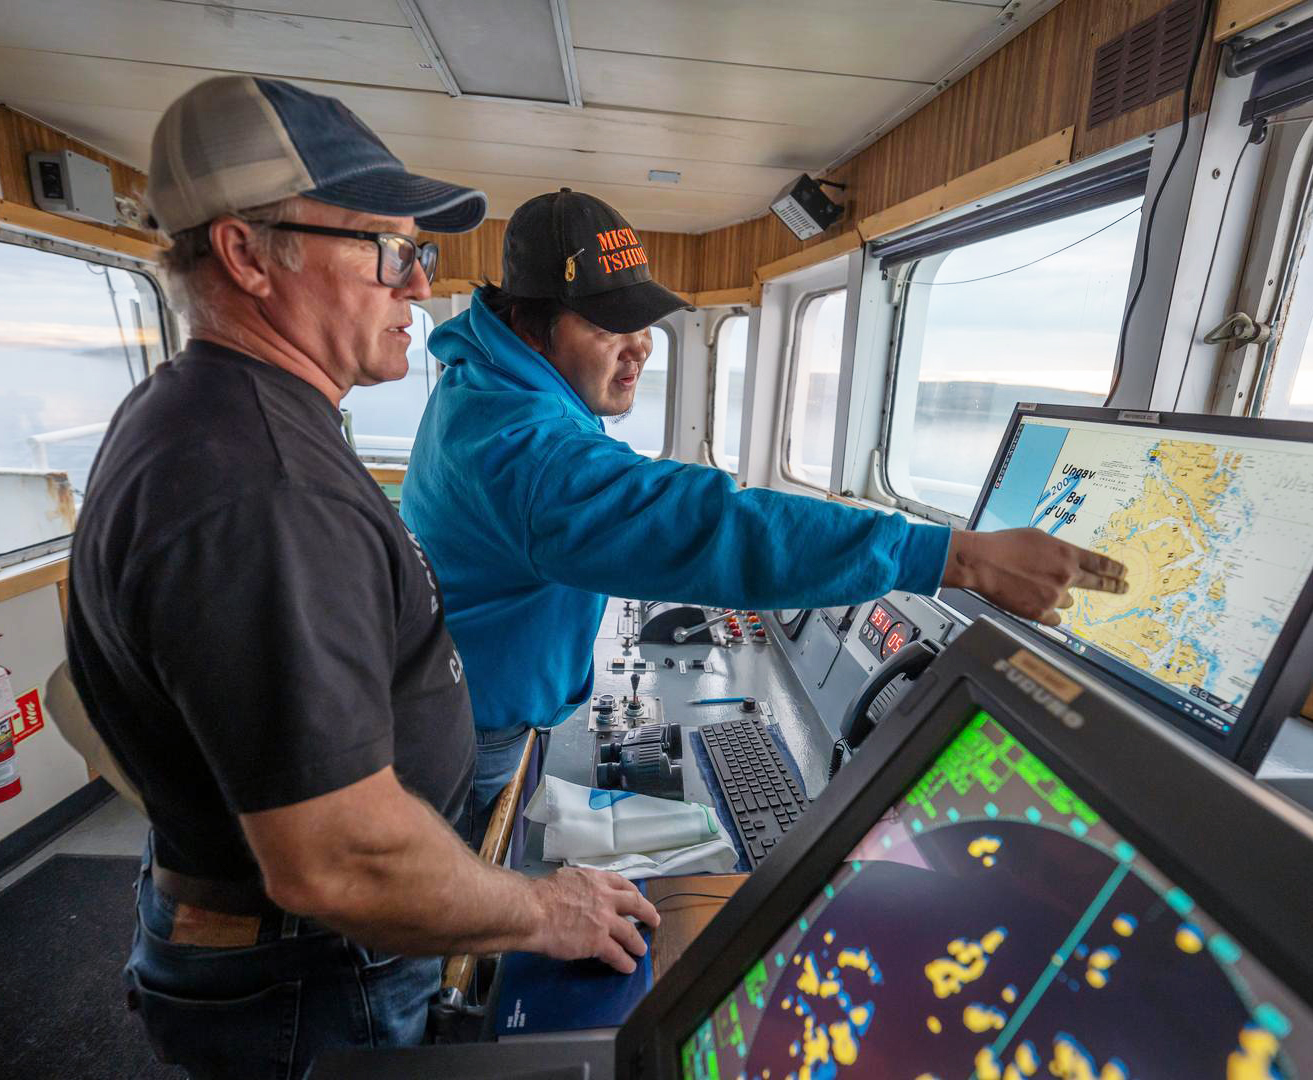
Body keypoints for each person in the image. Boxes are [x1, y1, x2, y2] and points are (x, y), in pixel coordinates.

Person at [66, 82, 658, 1079]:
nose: (419, 285)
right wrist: (540, 910)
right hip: (314, 972)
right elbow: (339, 859)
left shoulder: (215, 412)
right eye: (387, 249)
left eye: (415, 253)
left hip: (284, 945)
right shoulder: (262, 485)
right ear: (247, 254)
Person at [399, 188, 1128, 835]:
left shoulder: (493, 384)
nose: (641, 347)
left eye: (642, 321)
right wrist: (956, 556)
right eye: (607, 325)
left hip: (476, 702)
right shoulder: (520, 446)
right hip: (478, 735)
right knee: (459, 921)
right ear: (532, 326)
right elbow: (703, 524)